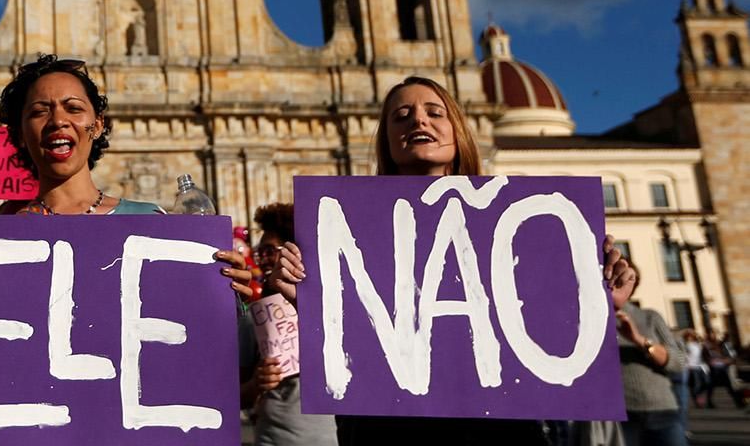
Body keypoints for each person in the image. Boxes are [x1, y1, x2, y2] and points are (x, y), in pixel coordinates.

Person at [268, 77, 635, 446]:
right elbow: (358, 331)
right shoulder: (348, 227)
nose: (418, 122)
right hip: (389, 427)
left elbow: (538, 320)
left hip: (495, 429)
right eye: (402, 115)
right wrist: (313, 297)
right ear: (387, 142)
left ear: (457, 131)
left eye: (434, 112)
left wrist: (598, 302)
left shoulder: (510, 220)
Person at [0, 54, 252, 343]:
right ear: (20, 135)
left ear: (97, 125)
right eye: (40, 111)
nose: (58, 121)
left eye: (73, 108)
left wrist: (230, 299)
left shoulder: (152, 222)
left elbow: (223, 348)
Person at [240, 202, 337, 446]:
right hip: (275, 438)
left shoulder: (340, 314)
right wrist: (256, 384)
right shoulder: (255, 317)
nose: (262, 261)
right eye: (260, 253)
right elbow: (232, 395)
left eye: (271, 251)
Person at [614, 265, 687, 446]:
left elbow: (678, 361)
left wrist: (639, 340)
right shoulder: (588, 319)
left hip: (661, 411)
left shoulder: (649, 317)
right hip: (619, 418)